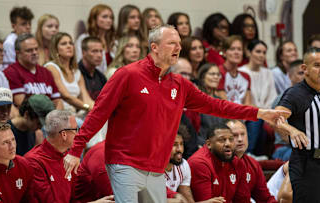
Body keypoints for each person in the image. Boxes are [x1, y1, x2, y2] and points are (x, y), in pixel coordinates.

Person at [63, 25, 288, 203]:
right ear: (154, 47)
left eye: (179, 43)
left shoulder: (179, 84)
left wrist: (258, 113)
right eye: (171, 43)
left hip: (157, 167)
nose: (178, 47)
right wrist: (75, 149)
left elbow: (217, 105)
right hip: (125, 163)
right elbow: (98, 113)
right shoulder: (127, 75)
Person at [275, 47, 320, 202]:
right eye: (317, 65)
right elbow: (276, 117)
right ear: (304, 69)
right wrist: (291, 129)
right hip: (306, 164)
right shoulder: (295, 93)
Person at [25, 110, 77, 203]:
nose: (78, 134)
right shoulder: (33, 162)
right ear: (64, 134)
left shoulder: (68, 157)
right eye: (76, 130)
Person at [188, 123, 250, 202]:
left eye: (231, 139)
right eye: (222, 140)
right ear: (209, 144)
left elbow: (243, 200)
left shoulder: (236, 162)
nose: (228, 144)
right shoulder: (199, 163)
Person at [3, 33, 63, 109]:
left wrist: (54, 118)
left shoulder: (46, 72)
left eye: (36, 49)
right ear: (18, 53)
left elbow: (57, 101)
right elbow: (20, 104)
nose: (34, 53)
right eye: (29, 50)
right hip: (28, 117)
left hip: (49, 117)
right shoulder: (11, 72)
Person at [240, 39, 277, 155]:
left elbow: (272, 98)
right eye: (258, 52)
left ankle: (259, 156)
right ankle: (249, 153)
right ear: (249, 53)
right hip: (247, 114)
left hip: (265, 115)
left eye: (264, 52)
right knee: (256, 119)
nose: (262, 55)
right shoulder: (241, 71)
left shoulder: (268, 73)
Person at [226, 119, 277, 203]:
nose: (240, 139)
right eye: (235, 135)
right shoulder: (218, 163)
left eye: (243, 134)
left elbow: (265, 198)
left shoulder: (253, 164)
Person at [45, 32, 94, 113]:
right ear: (55, 49)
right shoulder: (51, 67)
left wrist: (97, 107)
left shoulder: (77, 72)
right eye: (64, 44)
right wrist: (87, 107)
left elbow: (86, 99)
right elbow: (66, 96)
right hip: (58, 114)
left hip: (74, 114)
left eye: (71, 43)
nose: (69, 46)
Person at [0, 122, 33, 202]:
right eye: (5, 142)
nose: (12, 146)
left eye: (13, 139)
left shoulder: (24, 164)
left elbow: (31, 199)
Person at [272, 59, 304, 161]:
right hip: (285, 148)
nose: (305, 76)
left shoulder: (314, 97)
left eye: (306, 73)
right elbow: (282, 132)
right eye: (300, 73)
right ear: (290, 76)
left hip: (307, 147)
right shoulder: (283, 99)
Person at [75, 4, 116, 73]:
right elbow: (78, 62)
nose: (109, 20)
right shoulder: (84, 39)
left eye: (111, 17)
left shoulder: (113, 41)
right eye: (105, 17)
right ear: (94, 19)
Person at [219, 35, 252, 105]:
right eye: (232, 49)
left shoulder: (246, 76)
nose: (236, 52)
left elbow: (248, 104)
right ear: (224, 53)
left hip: (242, 113)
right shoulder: (218, 72)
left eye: (239, 49)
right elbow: (223, 103)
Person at [165, 125, 194, 203]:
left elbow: (187, 199)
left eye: (181, 144)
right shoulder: (153, 169)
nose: (179, 149)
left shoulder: (183, 165)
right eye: (174, 145)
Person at [78, 36, 107, 100]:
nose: (99, 55)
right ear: (83, 53)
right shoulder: (75, 73)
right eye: (94, 51)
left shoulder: (101, 77)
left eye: (101, 51)